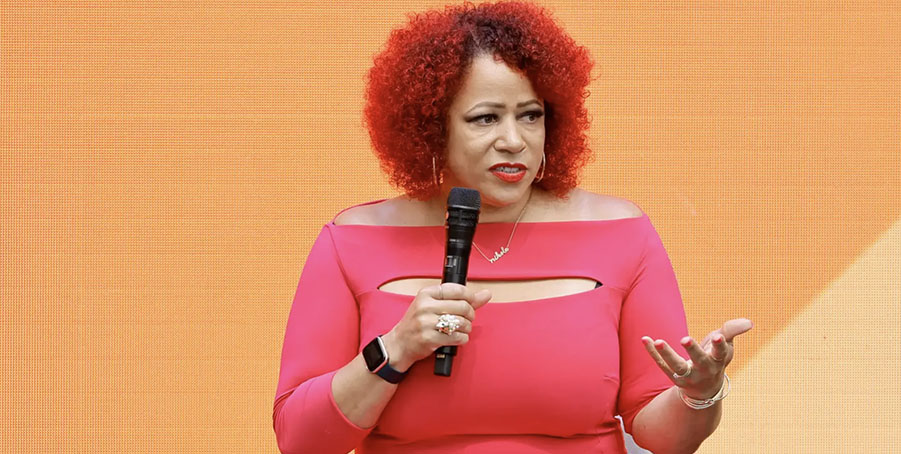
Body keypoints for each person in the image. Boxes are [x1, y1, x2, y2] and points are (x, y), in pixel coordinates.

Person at [273, 2, 752, 453]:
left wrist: (698, 395)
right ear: (433, 128)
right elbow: (301, 440)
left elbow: (662, 436)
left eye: (530, 116)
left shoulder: (624, 234)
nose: (513, 140)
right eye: (485, 118)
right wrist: (395, 348)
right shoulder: (351, 241)